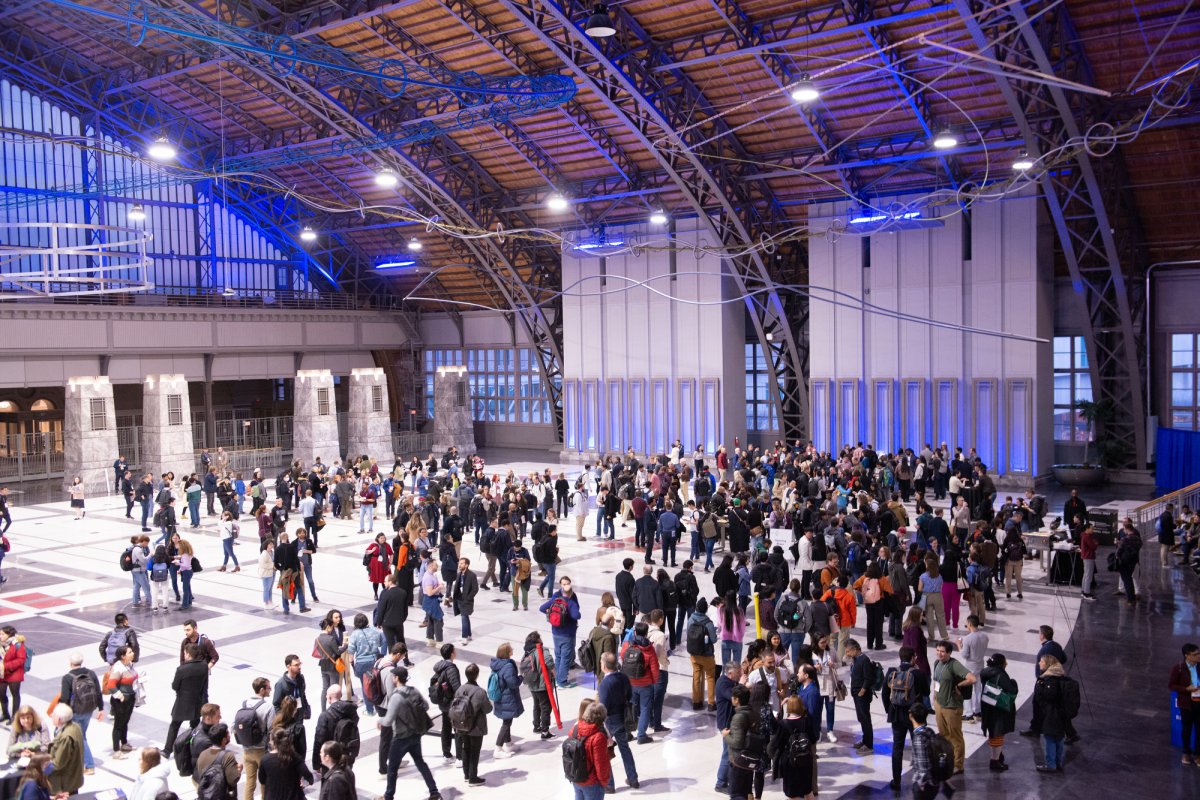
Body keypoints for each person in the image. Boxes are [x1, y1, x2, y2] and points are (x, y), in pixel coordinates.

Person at [377, 666, 441, 800]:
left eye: (393, 676)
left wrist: (380, 720)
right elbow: (426, 706)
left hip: (400, 737)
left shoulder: (396, 697)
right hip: (415, 734)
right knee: (420, 763)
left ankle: (388, 796)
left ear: (397, 678)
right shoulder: (414, 691)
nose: (392, 678)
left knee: (392, 768)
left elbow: (388, 721)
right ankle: (434, 792)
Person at [882, 645, 931, 791]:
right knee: (919, 747)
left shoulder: (892, 672)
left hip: (896, 715)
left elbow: (885, 693)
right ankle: (920, 780)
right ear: (912, 658)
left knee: (897, 748)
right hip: (914, 716)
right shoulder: (917, 674)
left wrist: (889, 710)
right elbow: (926, 692)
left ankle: (896, 781)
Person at [931, 640, 976, 774]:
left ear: (949, 653)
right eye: (938, 650)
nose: (939, 653)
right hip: (939, 705)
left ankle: (958, 764)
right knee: (944, 735)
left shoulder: (954, 665)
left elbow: (972, 678)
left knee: (955, 737)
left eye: (943, 651)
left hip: (952, 707)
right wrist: (934, 695)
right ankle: (948, 759)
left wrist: (959, 686)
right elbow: (937, 681)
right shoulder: (936, 663)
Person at [1033, 654, 1079, 773]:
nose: (1039, 663)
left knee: (1050, 738)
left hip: (1052, 714)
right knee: (1058, 738)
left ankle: (1051, 764)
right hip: (1061, 713)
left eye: (1041, 661)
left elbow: (1050, 695)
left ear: (1048, 664)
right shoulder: (1060, 676)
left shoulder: (1050, 679)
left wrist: (1039, 686)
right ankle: (1057, 763)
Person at [59, 654, 103, 775]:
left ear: (70, 663)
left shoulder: (67, 678)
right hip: (88, 709)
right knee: (81, 735)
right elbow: (98, 691)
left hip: (75, 712)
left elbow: (65, 698)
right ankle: (78, 761)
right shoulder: (91, 673)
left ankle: (89, 765)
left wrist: (61, 713)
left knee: (80, 738)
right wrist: (101, 708)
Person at [164, 644, 208, 758]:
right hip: (197, 701)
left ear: (188, 654)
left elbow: (175, 686)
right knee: (195, 726)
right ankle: (193, 749)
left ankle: (167, 750)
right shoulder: (204, 666)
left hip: (182, 702)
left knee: (174, 725)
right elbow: (204, 684)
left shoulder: (182, 669)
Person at [768, 695, 816, 800]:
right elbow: (813, 739)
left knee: (793, 794)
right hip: (806, 760)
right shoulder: (806, 721)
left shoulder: (783, 724)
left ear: (788, 707)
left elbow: (775, 744)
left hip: (790, 762)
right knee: (808, 791)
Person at [620, 621, 661, 743]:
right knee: (645, 709)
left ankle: (627, 732)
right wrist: (653, 681)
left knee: (629, 707)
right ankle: (641, 735)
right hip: (645, 684)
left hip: (629, 682)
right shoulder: (649, 648)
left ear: (635, 632)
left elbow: (622, 657)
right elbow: (654, 667)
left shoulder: (627, 644)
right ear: (646, 633)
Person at [451, 662, 491, 786]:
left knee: (465, 749)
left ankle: (467, 775)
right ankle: (473, 778)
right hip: (476, 727)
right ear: (477, 675)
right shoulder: (480, 692)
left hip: (462, 725)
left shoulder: (459, 689)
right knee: (475, 751)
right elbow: (488, 709)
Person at [539, 575, 582, 688]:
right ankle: (562, 682)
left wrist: (554, 615)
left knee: (558, 656)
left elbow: (542, 608)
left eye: (567, 583)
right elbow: (576, 614)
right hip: (567, 634)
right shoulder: (570, 601)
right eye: (564, 584)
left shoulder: (556, 598)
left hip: (556, 632)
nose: (565, 585)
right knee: (565, 657)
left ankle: (558, 679)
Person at [979, 653, 1018, 772]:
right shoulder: (1000, 674)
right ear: (1000, 663)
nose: (1006, 663)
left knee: (992, 732)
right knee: (998, 733)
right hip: (999, 709)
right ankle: (994, 760)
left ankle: (998, 756)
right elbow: (1012, 690)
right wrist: (1013, 683)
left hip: (988, 707)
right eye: (1004, 661)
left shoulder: (985, 672)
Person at [567, 701, 613, 800]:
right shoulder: (598, 737)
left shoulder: (575, 728)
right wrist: (604, 782)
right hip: (591, 783)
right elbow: (600, 764)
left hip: (576, 778)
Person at [237, 678, 274, 800]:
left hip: (246, 749)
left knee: (250, 781)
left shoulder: (244, 704)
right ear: (262, 690)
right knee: (265, 780)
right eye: (268, 688)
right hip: (261, 750)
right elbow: (271, 729)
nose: (270, 690)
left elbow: (234, 726)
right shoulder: (268, 707)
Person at [723, 684, 761, 800]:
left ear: (737, 700)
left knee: (736, 794)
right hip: (749, 759)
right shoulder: (753, 712)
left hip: (738, 761)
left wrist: (726, 735)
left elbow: (737, 742)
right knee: (745, 792)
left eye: (733, 697)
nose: (731, 699)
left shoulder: (738, 717)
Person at [311, 685, 359, 775]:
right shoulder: (351, 710)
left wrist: (316, 764)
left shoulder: (325, 716)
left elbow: (319, 740)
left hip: (331, 758)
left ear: (329, 697)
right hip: (348, 753)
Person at [104, 644, 139, 758]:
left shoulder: (129, 664)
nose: (132, 653)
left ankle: (124, 743)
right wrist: (120, 696)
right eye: (129, 652)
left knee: (125, 722)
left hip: (130, 698)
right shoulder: (118, 668)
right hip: (121, 701)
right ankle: (116, 750)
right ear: (123, 656)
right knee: (118, 725)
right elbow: (111, 685)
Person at [346, 614, 385, 715]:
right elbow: (382, 643)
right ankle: (380, 707)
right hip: (375, 661)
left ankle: (370, 710)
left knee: (366, 686)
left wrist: (352, 663)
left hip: (362, 663)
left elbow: (351, 651)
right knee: (377, 685)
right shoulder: (375, 630)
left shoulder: (355, 634)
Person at [258, 728, 313, 800]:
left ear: (272, 742)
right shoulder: (294, 757)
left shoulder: (265, 760)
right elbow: (309, 777)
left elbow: (262, 780)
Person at [489, 642, 524, 756]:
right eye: (511, 649)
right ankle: (498, 748)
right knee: (506, 723)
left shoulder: (496, 664)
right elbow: (513, 683)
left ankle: (508, 744)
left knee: (507, 720)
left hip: (501, 697)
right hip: (507, 698)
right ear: (507, 652)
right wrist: (521, 677)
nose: (512, 649)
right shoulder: (507, 666)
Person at [518, 633, 555, 740]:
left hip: (532, 683)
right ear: (538, 640)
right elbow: (549, 661)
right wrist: (553, 672)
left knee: (536, 705)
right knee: (546, 706)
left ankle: (536, 726)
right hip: (543, 684)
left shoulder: (527, 652)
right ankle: (545, 731)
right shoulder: (542, 650)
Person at [908, 703, 948, 800]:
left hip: (925, 786)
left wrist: (921, 784)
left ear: (911, 716)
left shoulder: (918, 738)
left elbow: (923, 764)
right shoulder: (929, 731)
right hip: (934, 781)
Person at [430, 643, 462, 760]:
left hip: (443, 702)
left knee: (446, 727)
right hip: (451, 704)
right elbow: (457, 687)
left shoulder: (440, 666)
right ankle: (460, 757)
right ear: (452, 653)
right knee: (457, 729)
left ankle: (446, 753)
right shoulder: (451, 669)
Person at [686, 597, 719, 710]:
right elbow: (714, 640)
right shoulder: (708, 623)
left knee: (696, 676)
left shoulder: (691, 619)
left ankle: (696, 701)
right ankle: (711, 703)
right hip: (707, 654)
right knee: (710, 677)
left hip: (694, 653)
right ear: (705, 610)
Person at [844, 639, 875, 753]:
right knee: (861, 718)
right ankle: (865, 740)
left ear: (855, 649)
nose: (846, 654)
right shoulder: (856, 659)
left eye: (848, 651)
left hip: (862, 695)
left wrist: (862, 690)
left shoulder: (864, 660)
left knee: (865, 719)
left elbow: (868, 678)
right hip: (856, 694)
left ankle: (869, 745)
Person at [194, 723, 241, 799]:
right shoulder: (228, 756)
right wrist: (239, 770)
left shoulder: (202, 754)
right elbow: (232, 781)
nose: (229, 736)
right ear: (224, 740)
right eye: (228, 734)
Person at [956, 616, 989, 722]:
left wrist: (958, 645)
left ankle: (969, 713)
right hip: (980, 663)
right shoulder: (985, 636)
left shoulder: (968, 639)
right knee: (978, 689)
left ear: (970, 624)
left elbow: (965, 655)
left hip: (970, 665)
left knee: (967, 689)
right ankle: (978, 711)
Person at [46, 705, 84, 796]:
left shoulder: (66, 737)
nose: (51, 715)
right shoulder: (75, 726)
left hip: (64, 783)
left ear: (59, 719)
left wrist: (42, 768)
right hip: (73, 778)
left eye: (53, 714)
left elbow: (58, 763)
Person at [374, 574, 409, 651]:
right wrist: (401, 619)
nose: (384, 583)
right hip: (398, 622)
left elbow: (381, 610)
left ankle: (392, 662)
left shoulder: (385, 593)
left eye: (385, 581)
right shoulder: (403, 592)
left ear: (390, 582)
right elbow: (405, 610)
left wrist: (379, 623)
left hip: (387, 623)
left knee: (391, 644)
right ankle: (406, 660)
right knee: (401, 641)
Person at [0, 626, 28, 719]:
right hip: (2, 674)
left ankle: (14, 717)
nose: (0, 636)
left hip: (14, 674)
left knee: (15, 695)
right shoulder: (1, 644)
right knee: (1, 693)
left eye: (2, 634)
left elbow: (21, 660)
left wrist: (6, 666)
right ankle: (5, 713)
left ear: (9, 635)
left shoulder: (18, 645)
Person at [272, 655, 311, 720]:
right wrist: (282, 720)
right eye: (296, 665)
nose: (299, 667)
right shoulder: (281, 684)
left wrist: (305, 707)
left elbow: (302, 694)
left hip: (299, 716)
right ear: (288, 666)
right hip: (288, 719)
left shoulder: (301, 679)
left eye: (299, 664)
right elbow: (276, 704)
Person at [420, 559, 446, 647]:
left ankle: (430, 639)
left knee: (431, 620)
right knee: (438, 619)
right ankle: (439, 641)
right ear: (431, 566)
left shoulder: (431, 575)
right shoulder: (428, 577)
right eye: (435, 565)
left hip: (432, 600)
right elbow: (429, 592)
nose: (437, 566)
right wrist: (439, 587)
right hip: (431, 600)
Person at [365, 533, 393, 600]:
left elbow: (391, 554)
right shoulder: (373, 545)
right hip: (375, 566)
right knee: (376, 580)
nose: (383, 539)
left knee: (385, 580)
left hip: (385, 564)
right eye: (381, 538)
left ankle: (385, 594)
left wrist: (390, 564)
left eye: (384, 538)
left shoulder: (387, 545)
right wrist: (372, 550)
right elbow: (366, 552)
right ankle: (375, 594)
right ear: (377, 538)